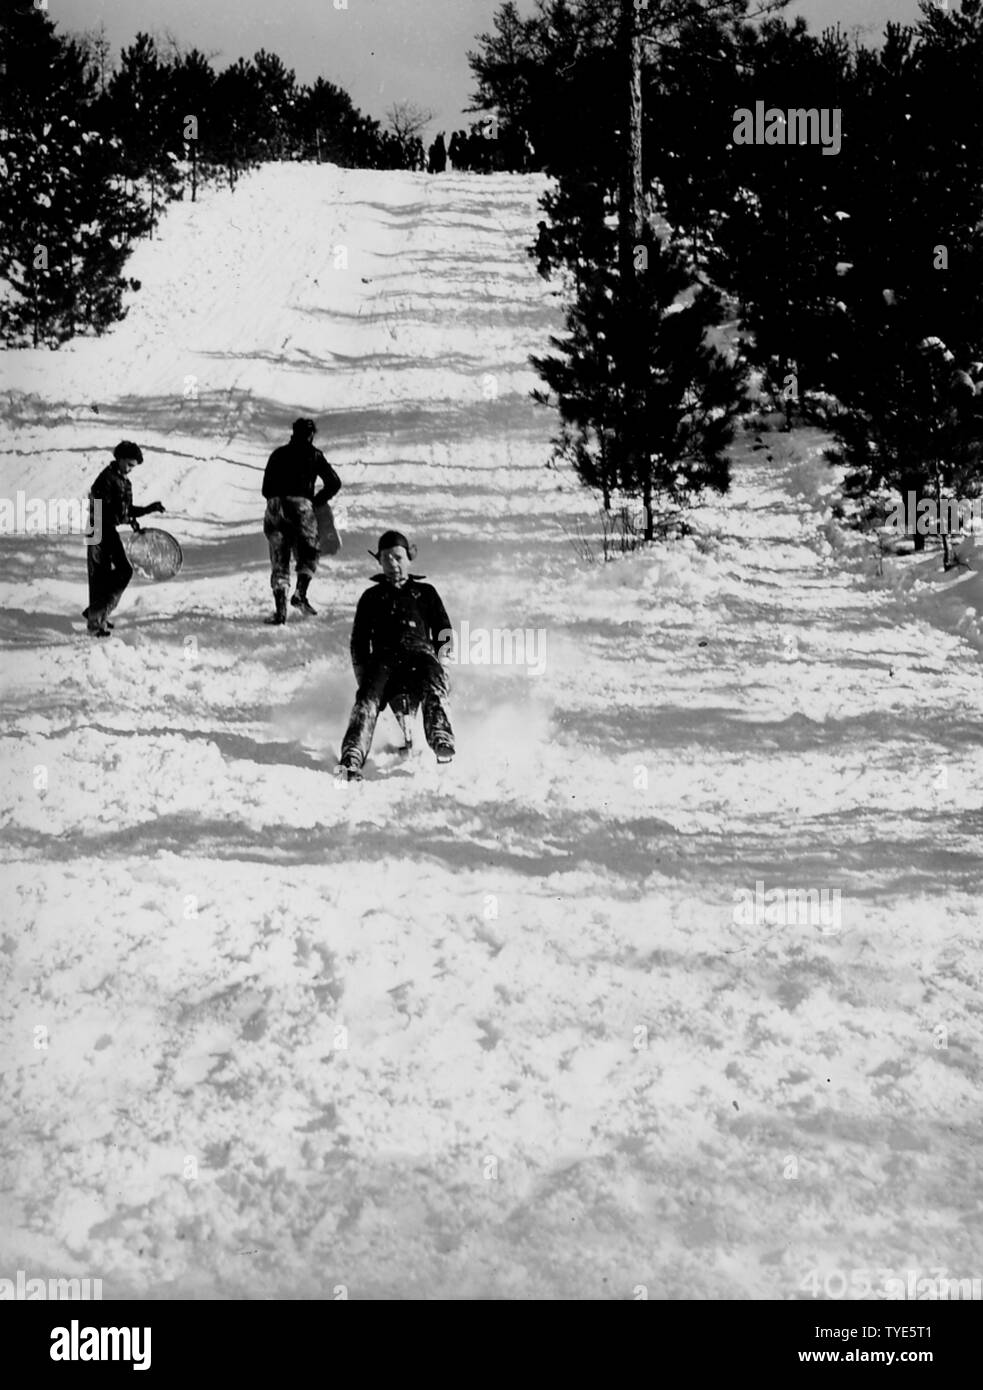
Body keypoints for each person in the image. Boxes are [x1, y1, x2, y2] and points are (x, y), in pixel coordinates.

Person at [338, 530, 455, 779]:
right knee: (366, 699)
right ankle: (351, 757)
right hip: (384, 660)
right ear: (379, 561)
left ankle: (441, 736)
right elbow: (359, 642)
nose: (393, 563)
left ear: (409, 558)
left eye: (398, 557)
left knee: (433, 681)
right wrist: (364, 678)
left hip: (420, 655)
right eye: (387, 558)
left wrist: (443, 665)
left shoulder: (425, 593)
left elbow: (444, 631)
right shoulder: (371, 597)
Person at [261, 418, 341, 624]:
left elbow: (265, 490)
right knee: (309, 553)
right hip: (301, 507)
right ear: (311, 435)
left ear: (292, 433)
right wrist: (315, 501)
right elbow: (334, 482)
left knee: (280, 557)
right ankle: (300, 595)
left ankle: (280, 612)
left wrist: (278, 500)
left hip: (275, 507)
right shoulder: (315, 455)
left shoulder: (277, 454)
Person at [83, 441, 165, 637]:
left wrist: (148, 509)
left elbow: (126, 511)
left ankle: (98, 614)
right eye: (128, 464)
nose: (130, 469)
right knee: (104, 575)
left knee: (116, 572)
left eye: (133, 466)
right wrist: (124, 518)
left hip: (107, 528)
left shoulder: (124, 482)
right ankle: (96, 621)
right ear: (119, 459)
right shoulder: (105, 479)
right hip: (98, 528)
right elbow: (103, 508)